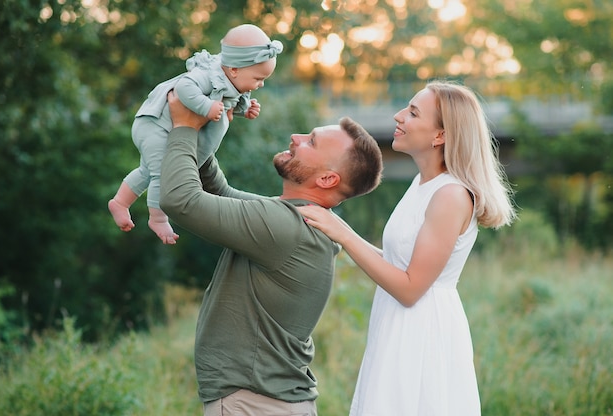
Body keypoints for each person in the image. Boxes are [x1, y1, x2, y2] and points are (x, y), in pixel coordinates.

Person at [298, 80, 517, 416]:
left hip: (423, 331)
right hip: (398, 323)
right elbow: (400, 264)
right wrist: (337, 227)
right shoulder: (423, 184)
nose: (399, 116)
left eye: (413, 112)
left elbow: (411, 288)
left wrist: (342, 235)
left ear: (440, 135)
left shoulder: (451, 195)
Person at [159, 89, 383, 415]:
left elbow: (180, 200)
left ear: (327, 178)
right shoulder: (297, 218)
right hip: (270, 403)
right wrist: (207, 129)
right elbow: (219, 192)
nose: (296, 137)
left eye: (311, 142)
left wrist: (183, 127)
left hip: (253, 404)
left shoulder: (285, 227)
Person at [108, 24, 283, 244]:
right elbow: (184, 88)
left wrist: (244, 110)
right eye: (258, 78)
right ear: (235, 69)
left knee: (147, 170)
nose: (261, 84)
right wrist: (205, 107)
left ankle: (120, 202)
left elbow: (229, 101)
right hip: (155, 126)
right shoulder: (208, 75)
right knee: (162, 173)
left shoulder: (232, 80)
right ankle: (158, 218)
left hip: (164, 130)